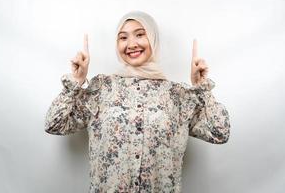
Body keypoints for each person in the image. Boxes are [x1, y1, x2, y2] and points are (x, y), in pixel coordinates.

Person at [45, 11, 230, 193]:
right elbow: (55, 124)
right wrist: (76, 82)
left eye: (140, 35)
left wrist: (201, 87)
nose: (131, 44)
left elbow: (219, 132)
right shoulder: (101, 89)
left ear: (153, 39)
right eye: (123, 37)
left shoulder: (178, 96)